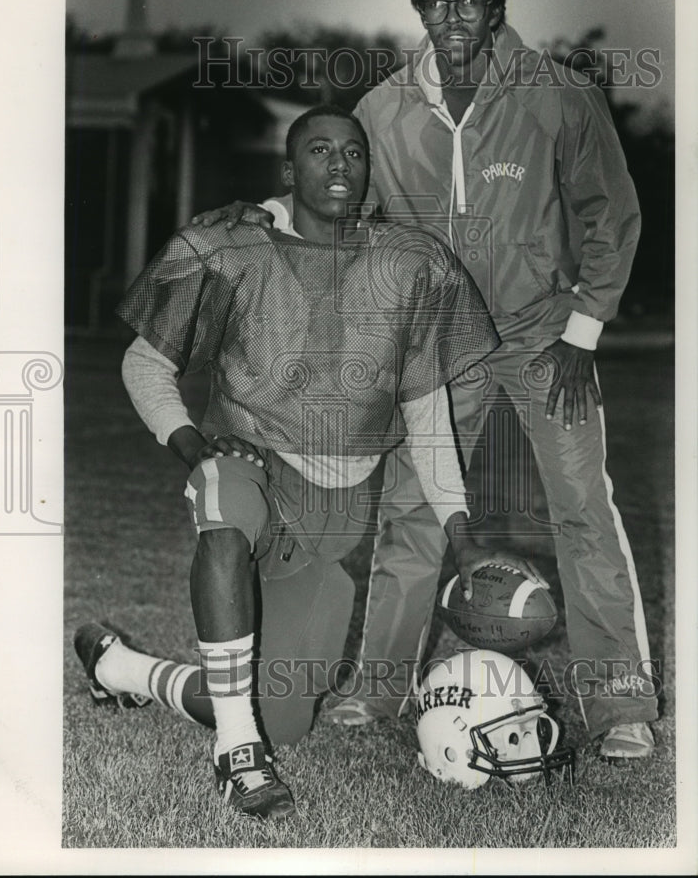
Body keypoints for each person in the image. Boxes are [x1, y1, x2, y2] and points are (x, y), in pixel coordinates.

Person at [194, 0, 658, 761]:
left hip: (541, 335)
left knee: (583, 509)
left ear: (494, 8)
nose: (452, 14)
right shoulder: (382, 109)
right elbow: (336, 192)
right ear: (419, 7)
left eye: (469, 0)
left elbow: (610, 216)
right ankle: (377, 688)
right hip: (437, 347)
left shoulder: (555, 95)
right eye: (436, 0)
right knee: (411, 513)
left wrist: (583, 331)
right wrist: (266, 216)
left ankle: (619, 703)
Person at [74, 104, 546, 822]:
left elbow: (425, 414)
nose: (338, 165)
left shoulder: (407, 262)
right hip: (248, 464)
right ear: (289, 171)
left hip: (332, 517)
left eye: (352, 153)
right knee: (223, 507)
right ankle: (236, 755)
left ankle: (122, 668)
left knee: (285, 717)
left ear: (367, 171)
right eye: (318, 151)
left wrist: (459, 530)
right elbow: (144, 365)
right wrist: (193, 444)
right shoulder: (232, 247)